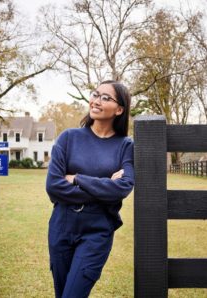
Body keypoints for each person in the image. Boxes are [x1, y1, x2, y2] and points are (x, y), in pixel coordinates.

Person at [46, 80, 135, 298]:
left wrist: (76, 178)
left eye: (106, 98)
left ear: (120, 109)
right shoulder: (68, 138)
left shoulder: (126, 145)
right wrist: (105, 186)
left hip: (97, 231)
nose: (96, 100)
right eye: (96, 94)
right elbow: (54, 186)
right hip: (61, 226)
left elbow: (123, 187)